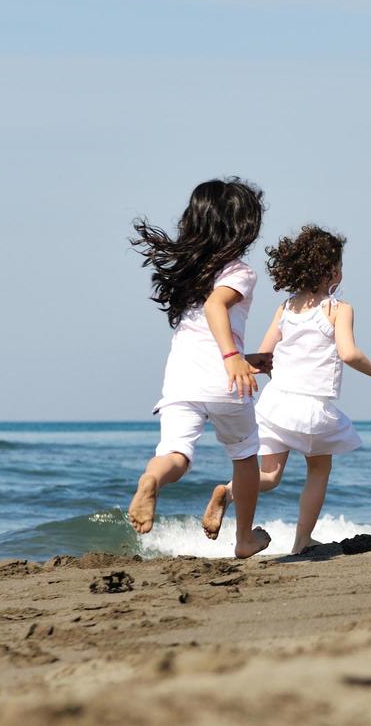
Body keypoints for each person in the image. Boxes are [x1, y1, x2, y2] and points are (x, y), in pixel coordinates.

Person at [207, 226, 371, 555]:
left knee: (269, 476)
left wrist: (239, 363)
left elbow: (263, 358)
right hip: (311, 408)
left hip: (274, 403)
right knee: (318, 469)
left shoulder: (285, 308)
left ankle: (227, 493)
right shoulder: (339, 309)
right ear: (334, 272)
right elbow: (349, 353)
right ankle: (302, 540)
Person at [125, 177, 272, 559]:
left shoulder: (189, 273)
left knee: (176, 454)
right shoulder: (239, 272)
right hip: (224, 379)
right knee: (244, 456)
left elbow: (202, 325)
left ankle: (151, 479)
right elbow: (215, 309)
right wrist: (232, 358)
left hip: (182, 379)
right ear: (243, 227)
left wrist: (245, 356)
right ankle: (243, 539)